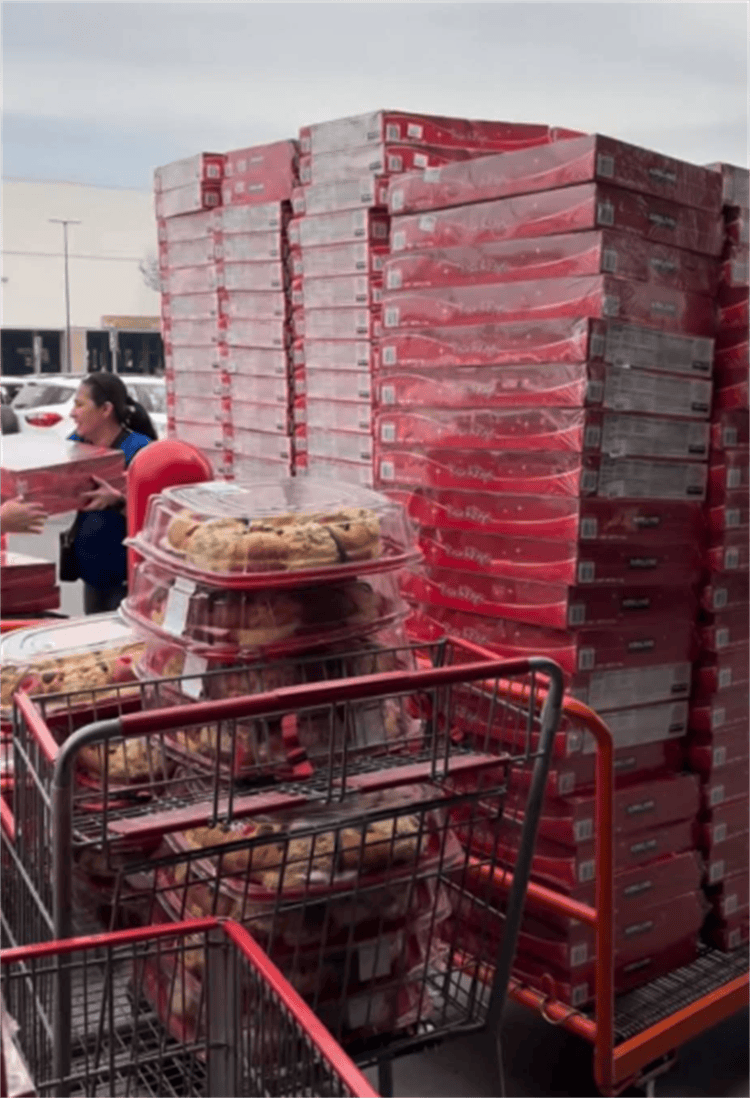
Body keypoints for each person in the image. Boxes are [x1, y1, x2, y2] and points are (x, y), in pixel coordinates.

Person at [68, 372, 156, 614]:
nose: (72, 414)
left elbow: (156, 519)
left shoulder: (139, 450)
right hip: (92, 575)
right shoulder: (76, 443)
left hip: (127, 578)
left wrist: (118, 501)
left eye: (79, 404)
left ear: (106, 409)